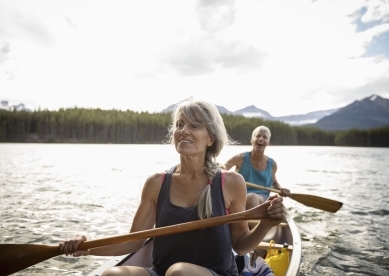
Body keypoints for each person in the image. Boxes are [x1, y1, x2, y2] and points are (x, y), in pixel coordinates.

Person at [59, 99, 286, 276]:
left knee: (180, 272)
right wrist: (88, 247)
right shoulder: (156, 183)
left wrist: (264, 225)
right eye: (179, 125)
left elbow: (241, 245)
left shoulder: (230, 183)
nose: (183, 130)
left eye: (194, 126)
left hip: (215, 272)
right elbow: (134, 241)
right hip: (162, 272)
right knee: (113, 274)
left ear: (210, 139)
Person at [224, 125, 290, 210]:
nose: (261, 139)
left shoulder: (272, 164)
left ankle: (256, 221)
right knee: (250, 197)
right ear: (252, 140)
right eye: (258, 136)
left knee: (252, 198)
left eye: (265, 137)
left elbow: (274, 183)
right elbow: (224, 167)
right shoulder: (240, 158)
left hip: (262, 199)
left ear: (268, 143)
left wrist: (281, 189)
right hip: (239, 197)